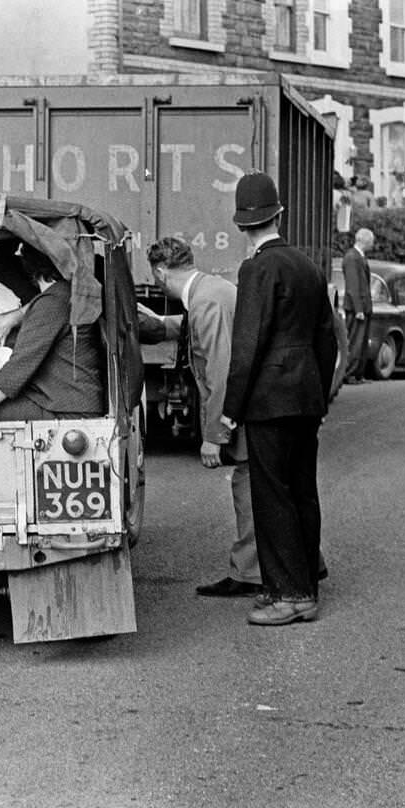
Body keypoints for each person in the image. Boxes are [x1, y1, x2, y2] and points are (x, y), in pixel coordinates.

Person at [221, 171, 337, 626]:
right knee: (302, 490)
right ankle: (304, 580)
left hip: (268, 400)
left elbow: (247, 343)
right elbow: (327, 340)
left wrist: (231, 410)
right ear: (279, 214)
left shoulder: (256, 269)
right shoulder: (308, 266)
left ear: (241, 225)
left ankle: (290, 595)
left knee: (272, 497)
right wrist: (319, 395)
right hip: (306, 397)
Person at [145, 236, 259, 596]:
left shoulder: (207, 300)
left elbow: (221, 368)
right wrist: (163, 323)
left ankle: (250, 573)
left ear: (161, 272)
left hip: (243, 415)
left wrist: (214, 436)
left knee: (250, 487)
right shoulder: (210, 290)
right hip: (257, 409)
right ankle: (286, 563)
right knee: (260, 488)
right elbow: (200, 330)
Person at [0, 245, 104, 433]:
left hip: (65, 411)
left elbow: (19, 367)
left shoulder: (52, 303)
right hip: (66, 404)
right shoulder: (65, 294)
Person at [342, 228, 374, 384]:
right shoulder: (352, 257)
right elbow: (353, 285)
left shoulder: (359, 257)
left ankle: (359, 373)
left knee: (362, 342)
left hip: (364, 306)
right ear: (365, 240)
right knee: (355, 341)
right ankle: (349, 373)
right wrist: (358, 309)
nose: (372, 244)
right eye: (371, 241)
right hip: (357, 308)